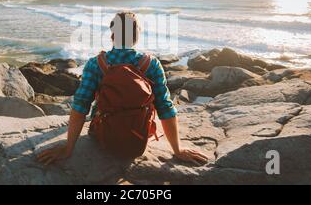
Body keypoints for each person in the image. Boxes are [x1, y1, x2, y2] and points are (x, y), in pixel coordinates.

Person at [37, 12, 208, 165]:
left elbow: (80, 106)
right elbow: (165, 107)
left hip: (102, 136)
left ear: (112, 35)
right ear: (137, 36)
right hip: (139, 136)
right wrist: (177, 150)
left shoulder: (96, 64)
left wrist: (68, 148)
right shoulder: (152, 64)